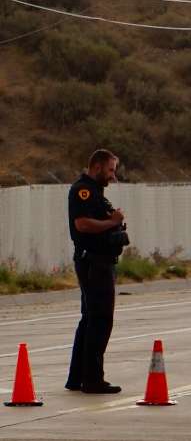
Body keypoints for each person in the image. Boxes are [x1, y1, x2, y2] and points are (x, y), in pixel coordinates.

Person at [66, 149, 126, 394]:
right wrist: (112, 222)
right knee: (100, 319)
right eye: (110, 170)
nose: (113, 176)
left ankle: (77, 377)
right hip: (94, 262)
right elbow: (82, 224)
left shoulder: (95, 192)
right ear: (98, 166)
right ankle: (92, 379)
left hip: (98, 261)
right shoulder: (84, 191)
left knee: (89, 319)